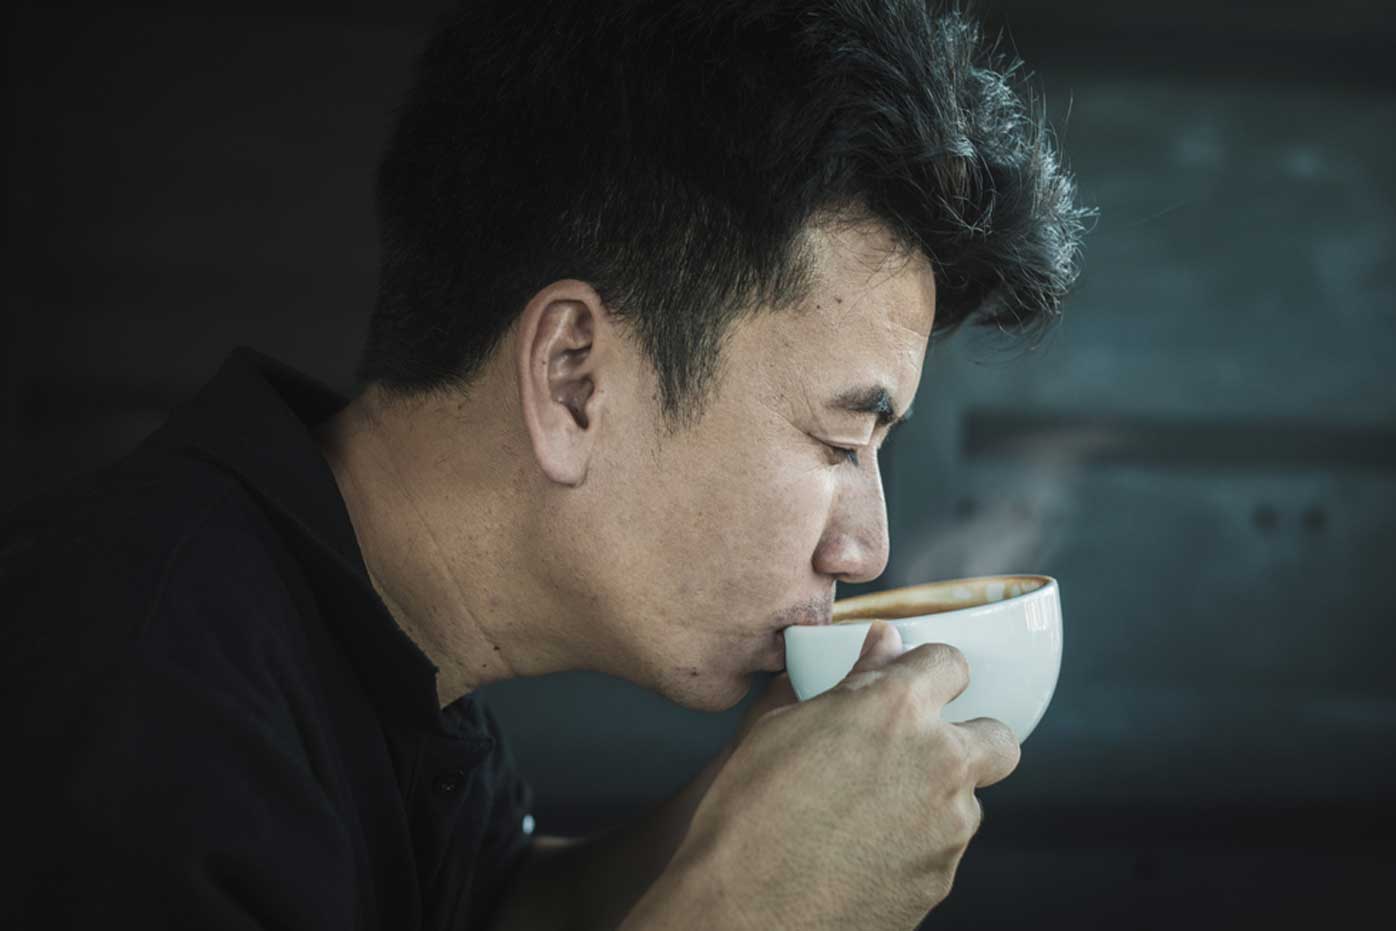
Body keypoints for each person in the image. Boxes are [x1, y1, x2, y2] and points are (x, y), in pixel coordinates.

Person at [3, 0, 1088, 927]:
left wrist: (760, 809)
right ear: (575, 377)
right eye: (839, 442)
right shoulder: (135, 707)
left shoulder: (372, 630)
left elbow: (496, 906)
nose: (867, 543)